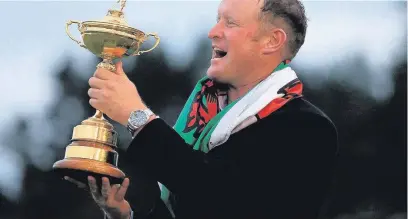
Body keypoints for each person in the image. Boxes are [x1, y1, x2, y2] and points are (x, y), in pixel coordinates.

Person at [65, 0, 338, 218]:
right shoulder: (205, 118)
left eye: (230, 22)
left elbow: (220, 198)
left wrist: (137, 116)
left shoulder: (308, 128)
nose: (213, 31)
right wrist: (123, 215)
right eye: (217, 19)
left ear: (271, 41)